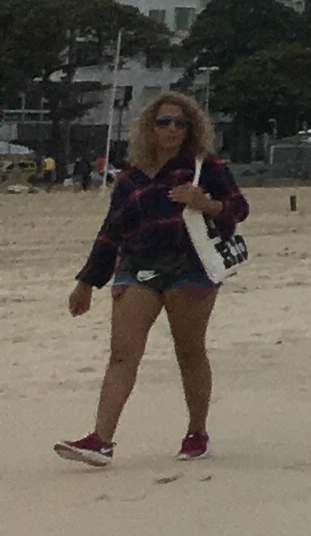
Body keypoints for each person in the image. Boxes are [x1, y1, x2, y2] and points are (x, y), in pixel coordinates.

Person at [53, 90, 245, 466]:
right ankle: (100, 440)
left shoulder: (207, 167)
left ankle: (196, 432)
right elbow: (111, 231)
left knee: (189, 351)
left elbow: (238, 208)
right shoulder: (131, 176)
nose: (172, 129)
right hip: (137, 265)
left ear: (191, 129)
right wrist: (87, 283)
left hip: (190, 267)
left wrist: (204, 202)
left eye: (180, 123)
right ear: (149, 128)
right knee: (122, 355)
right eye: (164, 122)